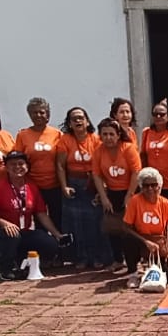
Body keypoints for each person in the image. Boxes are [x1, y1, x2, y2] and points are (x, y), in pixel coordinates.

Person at [0, 150, 71, 280]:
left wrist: (57, 235)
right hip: (1, 233)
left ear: (27, 167)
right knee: (12, 234)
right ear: (6, 168)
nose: (17, 167)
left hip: (23, 232)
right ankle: (5, 268)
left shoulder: (31, 187)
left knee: (50, 244)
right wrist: (4, 224)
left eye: (21, 163)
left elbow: (41, 213)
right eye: (12, 164)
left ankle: (21, 261)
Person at [107, 167, 168, 279]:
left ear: (159, 186)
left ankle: (149, 267)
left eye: (153, 185)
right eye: (146, 186)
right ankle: (133, 272)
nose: (150, 188)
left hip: (158, 244)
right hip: (140, 241)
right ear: (141, 187)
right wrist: (145, 241)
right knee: (127, 238)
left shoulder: (165, 203)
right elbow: (125, 227)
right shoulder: (135, 201)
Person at [92, 117, 141, 270]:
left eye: (111, 134)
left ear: (118, 135)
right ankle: (118, 260)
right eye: (104, 134)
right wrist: (104, 197)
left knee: (131, 228)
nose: (108, 138)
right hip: (112, 192)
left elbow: (136, 172)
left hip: (131, 191)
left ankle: (135, 261)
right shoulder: (98, 151)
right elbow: (96, 175)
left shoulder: (128, 148)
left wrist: (129, 196)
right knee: (113, 228)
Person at [56, 106, 101, 269]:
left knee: (94, 223)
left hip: (92, 183)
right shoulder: (65, 140)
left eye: (81, 118)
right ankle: (81, 257)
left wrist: (100, 188)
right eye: (74, 119)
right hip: (73, 184)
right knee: (76, 224)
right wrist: (64, 186)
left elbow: (101, 164)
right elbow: (60, 166)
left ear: (87, 121)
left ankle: (97, 257)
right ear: (69, 123)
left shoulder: (96, 139)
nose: (78, 121)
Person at [14, 98, 64, 227]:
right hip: (33, 186)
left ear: (48, 114)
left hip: (55, 185)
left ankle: (58, 240)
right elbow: (18, 161)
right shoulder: (22, 135)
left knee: (58, 219)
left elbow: (62, 161)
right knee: (39, 220)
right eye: (34, 112)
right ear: (30, 115)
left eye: (42, 112)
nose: (38, 115)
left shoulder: (58, 135)